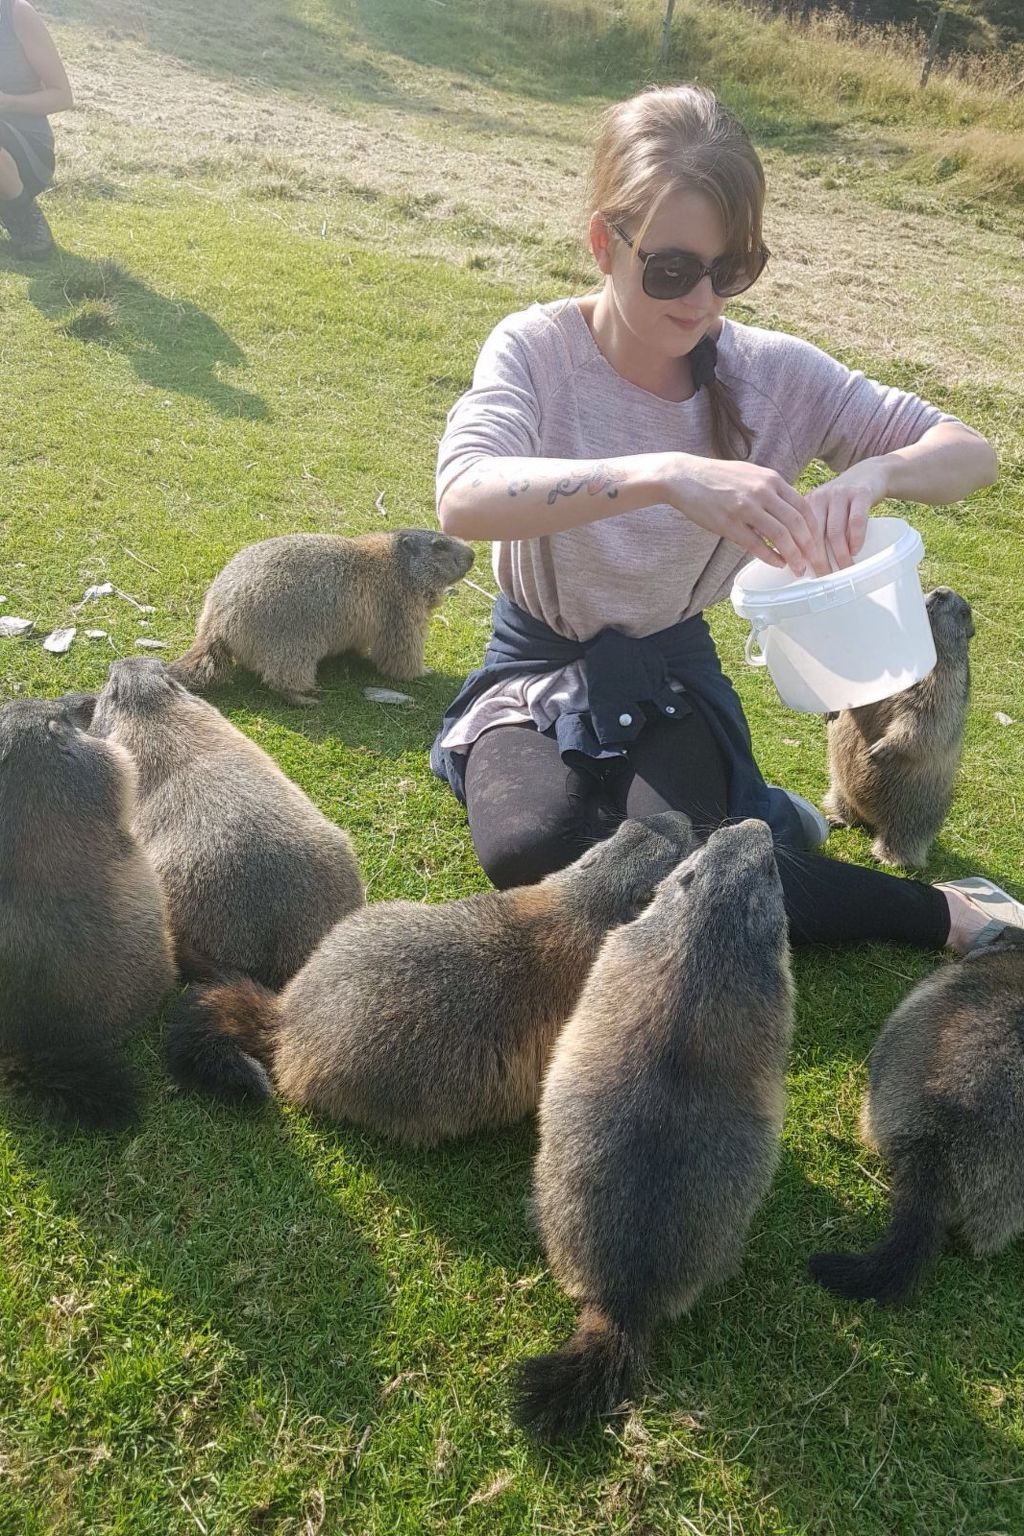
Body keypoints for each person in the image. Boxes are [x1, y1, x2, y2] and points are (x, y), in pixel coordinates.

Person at [430, 83, 1021, 955]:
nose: (704, 300)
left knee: (683, 861)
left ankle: (945, 913)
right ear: (603, 243)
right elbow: (465, 494)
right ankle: (770, 815)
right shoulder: (537, 349)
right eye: (671, 270)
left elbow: (972, 452)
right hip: (534, 662)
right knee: (532, 848)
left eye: (731, 269)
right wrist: (665, 475)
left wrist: (876, 472)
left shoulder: (773, 375)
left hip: (669, 665)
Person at [0, 0, 73, 259]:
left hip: (28, 149)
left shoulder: (16, 12)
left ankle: (30, 224)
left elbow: (63, 96)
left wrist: (7, 101)